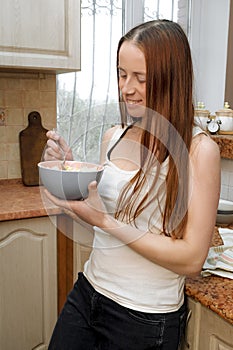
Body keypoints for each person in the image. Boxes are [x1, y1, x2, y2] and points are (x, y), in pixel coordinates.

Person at [44, 19, 221, 350]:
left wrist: (107, 222)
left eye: (140, 78)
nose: (126, 87)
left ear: (171, 79)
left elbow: (192, 258)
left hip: (144, 319)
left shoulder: (199, 151)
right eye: (122, 74)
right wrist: (71, 170)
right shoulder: (114, 136)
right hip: (89, 296)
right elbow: (97, 214)